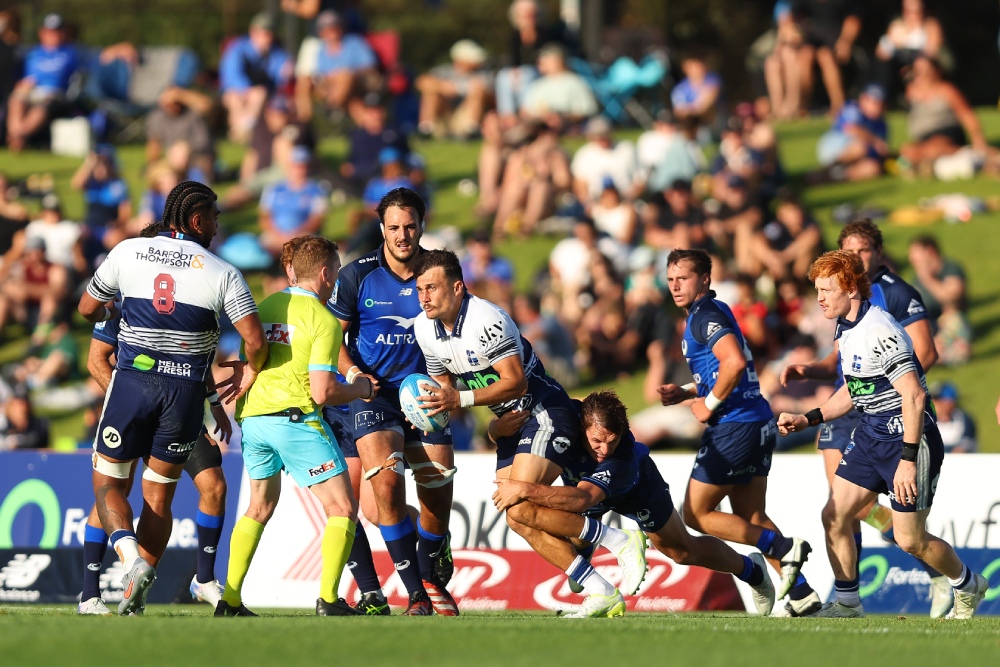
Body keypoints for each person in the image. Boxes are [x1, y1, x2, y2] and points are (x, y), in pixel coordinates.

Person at [410, 249, 646, 618]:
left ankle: (619, 540)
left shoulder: (486, 320)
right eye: (420, 288)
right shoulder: (424, 328)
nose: (424, 296)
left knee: (518, 503)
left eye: (432, 287)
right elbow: (444, 390)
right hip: (511, 424)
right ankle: (601, 590)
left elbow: (515, 382)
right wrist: (427, 414)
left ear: (457, 288)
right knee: (516, 516)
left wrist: (458, 399)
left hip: (543, 410)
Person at [76, 181, 268, 616]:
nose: (218, 227)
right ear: (197, 220)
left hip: (133, 384)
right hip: (184, 394)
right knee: (159, 498)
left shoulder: (127, 252)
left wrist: (112, 311)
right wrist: (251, 369)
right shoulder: (223, 272)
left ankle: (131, 564)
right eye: (216, 218)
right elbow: (254, 340)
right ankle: (136, 589)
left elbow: (87, 309)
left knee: (107, 484)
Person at [777, 250, 988, 618]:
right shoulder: (846, 325)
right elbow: (853, 389)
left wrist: (907, 461)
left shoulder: (881, 331)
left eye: (826, 289)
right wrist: (808, 418)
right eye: (817, 290)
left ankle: (968, 584)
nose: (819, 298)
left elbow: (914, 394)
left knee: (910, 540)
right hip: (871, 434)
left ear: (850, 289)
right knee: (835, 515)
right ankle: (847, 604)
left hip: (909, 442)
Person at [491, 389, 776, 616]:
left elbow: (583, 499)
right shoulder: (562, 420)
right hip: (583, 489)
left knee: (682, 551)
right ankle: (589, 567)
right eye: (597, 441)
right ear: (581, 425)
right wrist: (495, 429)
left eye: (611, 441)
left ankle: (751, 571)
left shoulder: (620, 456)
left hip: (636, 489)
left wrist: (524, 488)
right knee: (551, 528)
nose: (604, 450)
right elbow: (511, 431)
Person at [217, 236, 376, 617]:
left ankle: (231, 600)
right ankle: (329, 600)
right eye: (336, 270)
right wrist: (359, 387)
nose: (337, 278)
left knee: (258, 507)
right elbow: (322, 393)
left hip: (254, 421)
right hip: (296, 422)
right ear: (324, 273)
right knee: (341, 507)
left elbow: (249, 364)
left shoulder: (267, 304)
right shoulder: (322, 319)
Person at [656, 249, 818, 614]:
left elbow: (734, 362)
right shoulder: (716, 310)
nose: (676, 286)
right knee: (753, 518)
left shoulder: (704, 316)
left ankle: (781, 549)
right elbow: (726, 371)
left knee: (696, 515)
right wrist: (685, 392)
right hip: (756, 420)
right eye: (670, 279)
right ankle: (802, 594)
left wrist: (708, 405)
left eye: (683, 278)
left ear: (705, 279)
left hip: (734, 426)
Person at [327, 188, 458, 616]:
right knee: (384, 486)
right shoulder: (357, 275)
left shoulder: (437, 271)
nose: (403, 235)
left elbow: (458, 327)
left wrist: (451, 383)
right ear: (382, 227)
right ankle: (419, 593)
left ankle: (434, 550)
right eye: (395, 227)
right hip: (375, 395)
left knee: (436, 496)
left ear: (422, 225)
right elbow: (333, 338)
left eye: (411, 227)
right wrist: (353, 374)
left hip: (424, 395)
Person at [77, 277, 232, 615]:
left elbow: (199, 361)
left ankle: (163, 589)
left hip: (180, 414)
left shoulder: (194, 300)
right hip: (134, 409)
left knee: (212, 486)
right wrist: (126, 406)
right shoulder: (125, 303)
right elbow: (96, 361)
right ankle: (90, 594)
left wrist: (213, 405)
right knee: (114, 488)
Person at [899, 55, 987, 173]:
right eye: (919, 70)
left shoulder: (947, 90)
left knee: (932, 150)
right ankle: (927, 165)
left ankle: (968, 153)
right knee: (907, 151)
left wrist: (977, 137)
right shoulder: (911, 92)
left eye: (926, 70)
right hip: (923, 139)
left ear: (936, 70)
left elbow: (966, 114)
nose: (923, 74)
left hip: (946, 135)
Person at [5, 13, 80, 151]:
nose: (54, 35)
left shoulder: (72, 53)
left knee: (42, 106)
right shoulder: (32, 53)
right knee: (16, 100)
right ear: (42, 33)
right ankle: (18, 136)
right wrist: (23, 84)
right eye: (50, 32)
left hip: (56, 95)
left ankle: (17, 137)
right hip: (32, 91)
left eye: (58, 31)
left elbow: (97, 59)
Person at [219, 12, 293, 142]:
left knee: (258, 94)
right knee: (237, 98)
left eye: (270, 33)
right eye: (264, 33)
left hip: (262, 95)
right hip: (235, 93)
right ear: (253, 32)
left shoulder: (276, 52)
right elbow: (231, 76)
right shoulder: (237, 48)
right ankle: (244, 135)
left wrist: (289, 69)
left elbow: (283, 74)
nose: (268, 37)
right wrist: (246, 90)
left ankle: (241, 136)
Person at [907, 235, 969, 365]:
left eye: (915, 253)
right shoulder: (917, 276)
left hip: (949, 322)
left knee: (952, 318)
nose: (911, 258)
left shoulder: (950, 269)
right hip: (928, 323)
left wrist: (927, 278)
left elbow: (951, 296)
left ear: (929, 251)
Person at [258, 145, 329, 256]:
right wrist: (277, 234)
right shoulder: (274, 189)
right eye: (295, 165)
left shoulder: (317, 190)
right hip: (275, 234)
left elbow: (317, 219)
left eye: (302, 166)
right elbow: (265, 216)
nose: (299, 169)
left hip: (303, 234)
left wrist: (295, 235)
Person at [416, 39, 493, 140]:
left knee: (478, 91)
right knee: (431, 93)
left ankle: (472, 130)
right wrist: (443, 87)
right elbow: (421, 82)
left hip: (464, 117)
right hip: (444, 116)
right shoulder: (443, 71)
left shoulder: (483, 74)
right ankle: (425, 130)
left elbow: (490, 95)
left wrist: (458, 89)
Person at [812, 84, 888, 184]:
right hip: (833, 150)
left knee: (873, 168)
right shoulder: (853, 108)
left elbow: (880, 152)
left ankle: (832, 176)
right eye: (874, 102)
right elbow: (851, 128)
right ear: (863, 99)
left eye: (880, 103)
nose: (877, 107)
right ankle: (827, 169)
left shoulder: (881, 123)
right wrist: (875, 140)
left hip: (858, 158)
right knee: (860, 147)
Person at [932, 383, 976, 454]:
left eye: (938, 400)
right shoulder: (928, 420)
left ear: (949, 403)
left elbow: (964, 448)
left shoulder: (963, 419)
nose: (933, 403)